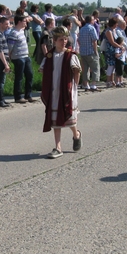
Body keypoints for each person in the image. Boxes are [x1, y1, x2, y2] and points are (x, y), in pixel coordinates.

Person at [38, 26, 82, 159]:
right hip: (54, 92)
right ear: (55, 40)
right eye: (61, 39)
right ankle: (58, 147)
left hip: (67, 91)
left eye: (65, 39)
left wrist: (73, 87)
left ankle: (76, 135)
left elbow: (76, 71)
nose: (64, 42)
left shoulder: (70, 55)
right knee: (55, 120)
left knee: (69, 120)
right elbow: (44, 73)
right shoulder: (49, 56)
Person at [7, 14, 35, 104]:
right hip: (18, 57)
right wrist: (9, 58)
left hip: (25, 56)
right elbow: (10, 47)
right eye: (24, 21)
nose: (26, 23)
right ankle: (18, 96)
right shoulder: (14, 33)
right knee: (19, 77)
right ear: (19, 22)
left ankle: (28, 95)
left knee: (29, 75)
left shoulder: (21, 31)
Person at [0, 16, 12, 108]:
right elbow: (0, 50)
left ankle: (1, 98)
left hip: (3, 59)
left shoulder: (1, 33)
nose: (8, 25)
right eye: (6, 24)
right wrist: (5, 63)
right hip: (1, 60)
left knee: (2, 80)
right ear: (1, 24)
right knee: (1, 80)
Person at [78, 15, 100, 91]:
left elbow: (78, 40)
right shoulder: (91, 28)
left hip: (83, 52)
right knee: (95, 68)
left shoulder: (82, 29)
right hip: (91, 51)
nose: (94, 21)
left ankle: (86, 84)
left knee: (85, 69)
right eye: (93, 20)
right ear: (91, 21)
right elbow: (94, 40)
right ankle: (93, 84)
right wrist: (96, 51)